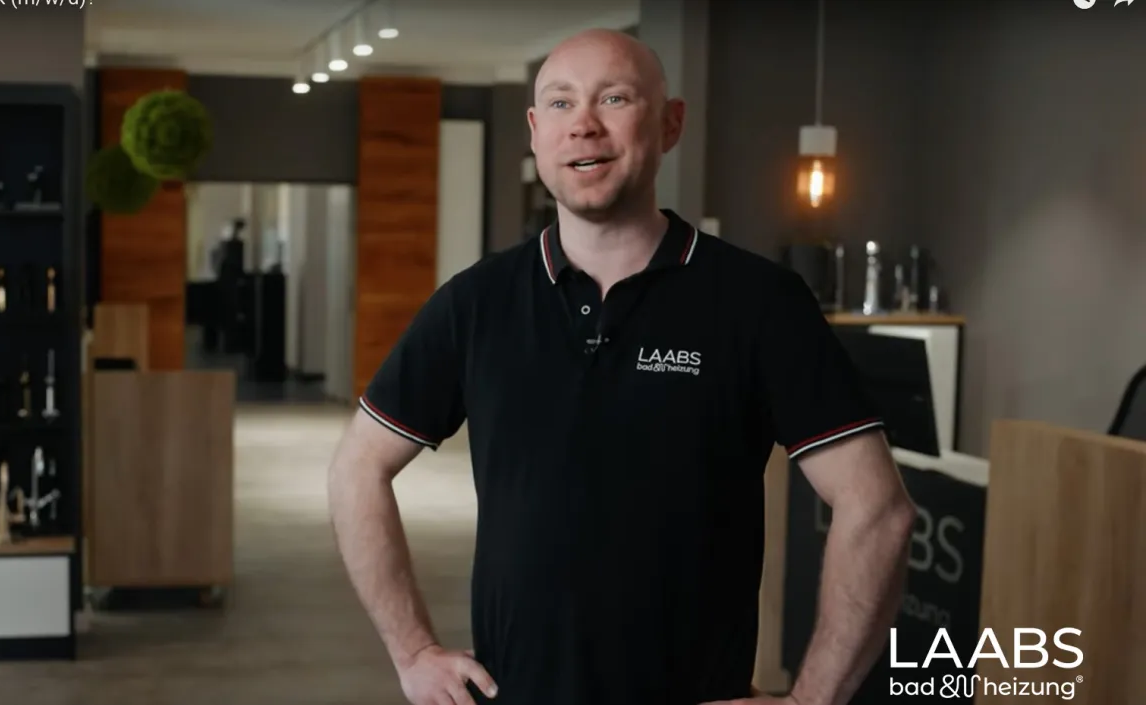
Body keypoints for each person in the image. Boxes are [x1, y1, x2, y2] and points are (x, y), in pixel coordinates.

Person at [326, 28, 916, 705]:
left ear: (670, 124)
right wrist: (413, 651)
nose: (583, 125)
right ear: (534, 131)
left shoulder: (758, 302)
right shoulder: (477, 303)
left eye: (613, 98)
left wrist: (815, 700)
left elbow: (879, 509)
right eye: (559, 103)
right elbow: (357, 466)